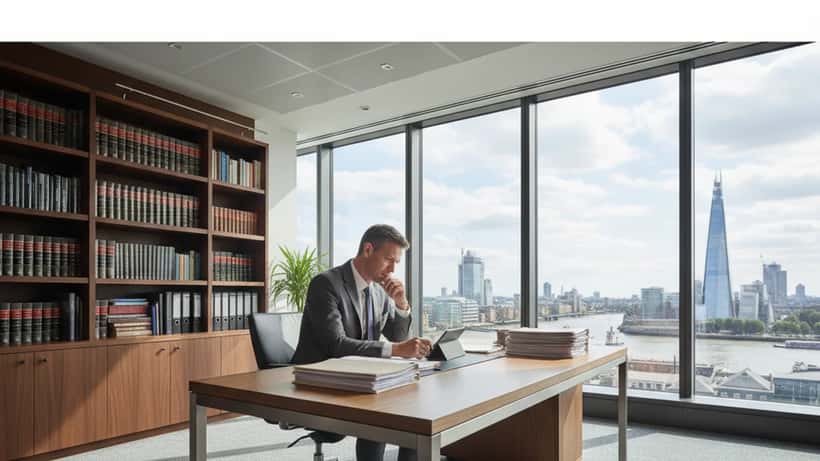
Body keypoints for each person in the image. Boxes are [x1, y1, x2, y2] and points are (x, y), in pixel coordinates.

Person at [292, 224, 431, 461]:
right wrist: (396, 350)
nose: (393, 269)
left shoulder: (378, 291)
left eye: (396, 262)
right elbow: (335, 345)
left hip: (361, 378)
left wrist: (401, 304)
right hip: (322, 382)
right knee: (383, 412)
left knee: (413, 414)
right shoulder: (326, 284)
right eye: (389, 259)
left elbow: (397, 335)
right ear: (368, 250)